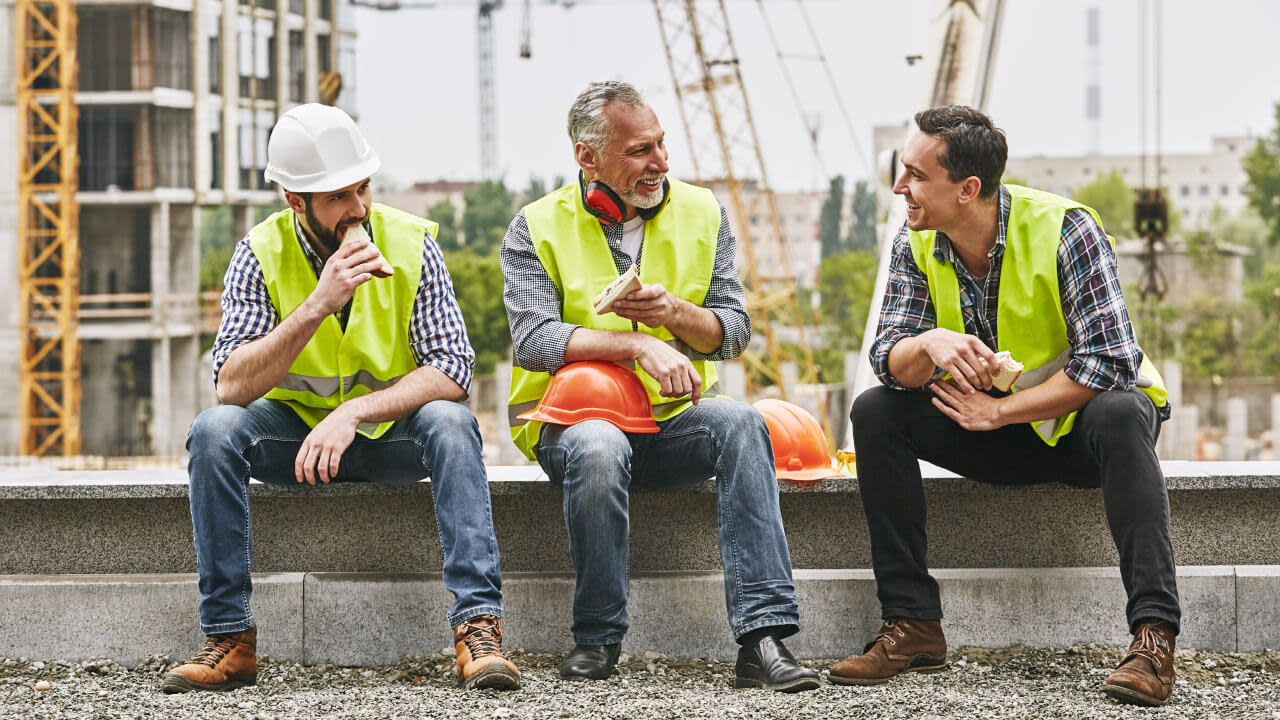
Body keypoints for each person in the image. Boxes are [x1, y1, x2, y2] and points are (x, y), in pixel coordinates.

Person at [163, 104, 520, 694]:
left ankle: (477, 630)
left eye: (362, 188)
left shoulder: (412, 244)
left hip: (390, 435)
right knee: (213, 431)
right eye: (337, 197)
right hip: (298, 442)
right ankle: (229, 637)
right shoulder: (259, 252)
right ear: (294, 200)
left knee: (453, 422)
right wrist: (317, 304)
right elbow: (230, 383)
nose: (357, 208)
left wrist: (353, 412)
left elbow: (454, 368)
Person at [832, 105, 1180, 707]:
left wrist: (999, 411)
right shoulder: (914, 243)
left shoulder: (1066, 228)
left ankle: (1153, 638)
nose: (899, 187)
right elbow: (887, 358)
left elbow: (1109, 363)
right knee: (875, 411)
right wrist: (927, 343)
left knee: (1122, 411)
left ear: (968, 189)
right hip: (992, 429)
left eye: (915, 175)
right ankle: (913, 625)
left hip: (1082, 434)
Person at [500, 81, 820, 693]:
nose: (661, 163)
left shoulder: (704, 212)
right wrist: (635, 344)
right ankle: (597, 638)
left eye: (662, 145)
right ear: (587, 157)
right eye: (640, 150)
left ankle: (763, 640)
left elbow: (731, 331)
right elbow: (534, 340)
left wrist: (673, 314)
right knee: (599, 447)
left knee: (744, 423)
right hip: (570, 427)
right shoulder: (535, 227)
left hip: (673, 421)